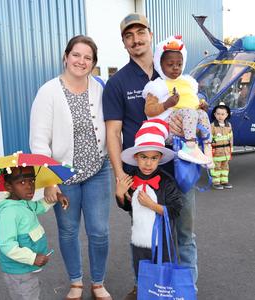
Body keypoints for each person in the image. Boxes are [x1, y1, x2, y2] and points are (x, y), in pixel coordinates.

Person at [102, 13, 198, 299]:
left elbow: (196, 108)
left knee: (184, 234)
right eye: (129, 36)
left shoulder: (173, 69)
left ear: (150, 34)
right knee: (144, 237)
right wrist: (120, 176)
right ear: (124, 43)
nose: (136, 40)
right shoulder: (118, 82)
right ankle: (148, 287)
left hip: (179, 168)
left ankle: (185, 290)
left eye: (140, 32)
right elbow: (113, 133)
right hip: (141, 173)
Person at [30, 35, 113, 300]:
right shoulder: (49, 91)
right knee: (68, 231)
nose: (81, 61)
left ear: (94, 63)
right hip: (63, 177)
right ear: (66, 57)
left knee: (99, 231)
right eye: (76, 55)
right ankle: (76, 282)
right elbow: (40, 141)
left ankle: (98, 282)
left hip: (98, 171)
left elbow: (113, 125)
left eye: (88, 57)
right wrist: (48, 181)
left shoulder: (100, 87)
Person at [115, 119, 182, 284]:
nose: (148, 163)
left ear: (160, 158)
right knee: (142, 275)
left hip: (163, 240)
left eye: (153, 158)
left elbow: (175, 210)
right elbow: (128, 207)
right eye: (144, 157)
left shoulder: (166, 181)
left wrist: (152, 205)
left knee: (164, 277)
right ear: (136, 157)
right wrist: (119, 195)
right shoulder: (131, 178)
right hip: (139, 238)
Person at [0, 166, 68, 300]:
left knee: (32, 292)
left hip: (27, 267)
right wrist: (32, 258)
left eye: (31, 181)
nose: (29, 186)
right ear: (9, 187)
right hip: (19, 271)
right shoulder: (9, 213)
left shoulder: (23, 203)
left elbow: (39, 206)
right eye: (21, 182)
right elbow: (7, 245)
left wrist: (57, 196)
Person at [143, 35, 214, 168]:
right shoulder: (157, 85)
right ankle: (191, 147)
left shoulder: (188, 82)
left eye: (179, 64)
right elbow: (149, 110)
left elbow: (192, 103)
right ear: (159, 63)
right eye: (170, 64)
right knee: (190, 112)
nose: (176, 68)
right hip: (168, 129)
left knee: (203, 115)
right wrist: (167, 104)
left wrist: (201, 106)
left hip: (187, 127)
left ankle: (207, 149)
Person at [210, 102, 233, 190]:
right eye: (218, 114)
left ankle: (224, 181)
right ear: (215, 114)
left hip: (226, 152)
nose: (220, 116)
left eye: (223, 114)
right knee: (216, 167)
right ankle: (216, 182)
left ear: (226, 115)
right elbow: (209, 138)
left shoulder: (229, 125)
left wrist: (231, 148)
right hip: (216, 152)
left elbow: (231, 138)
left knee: (225, 167)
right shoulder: (212, 126)